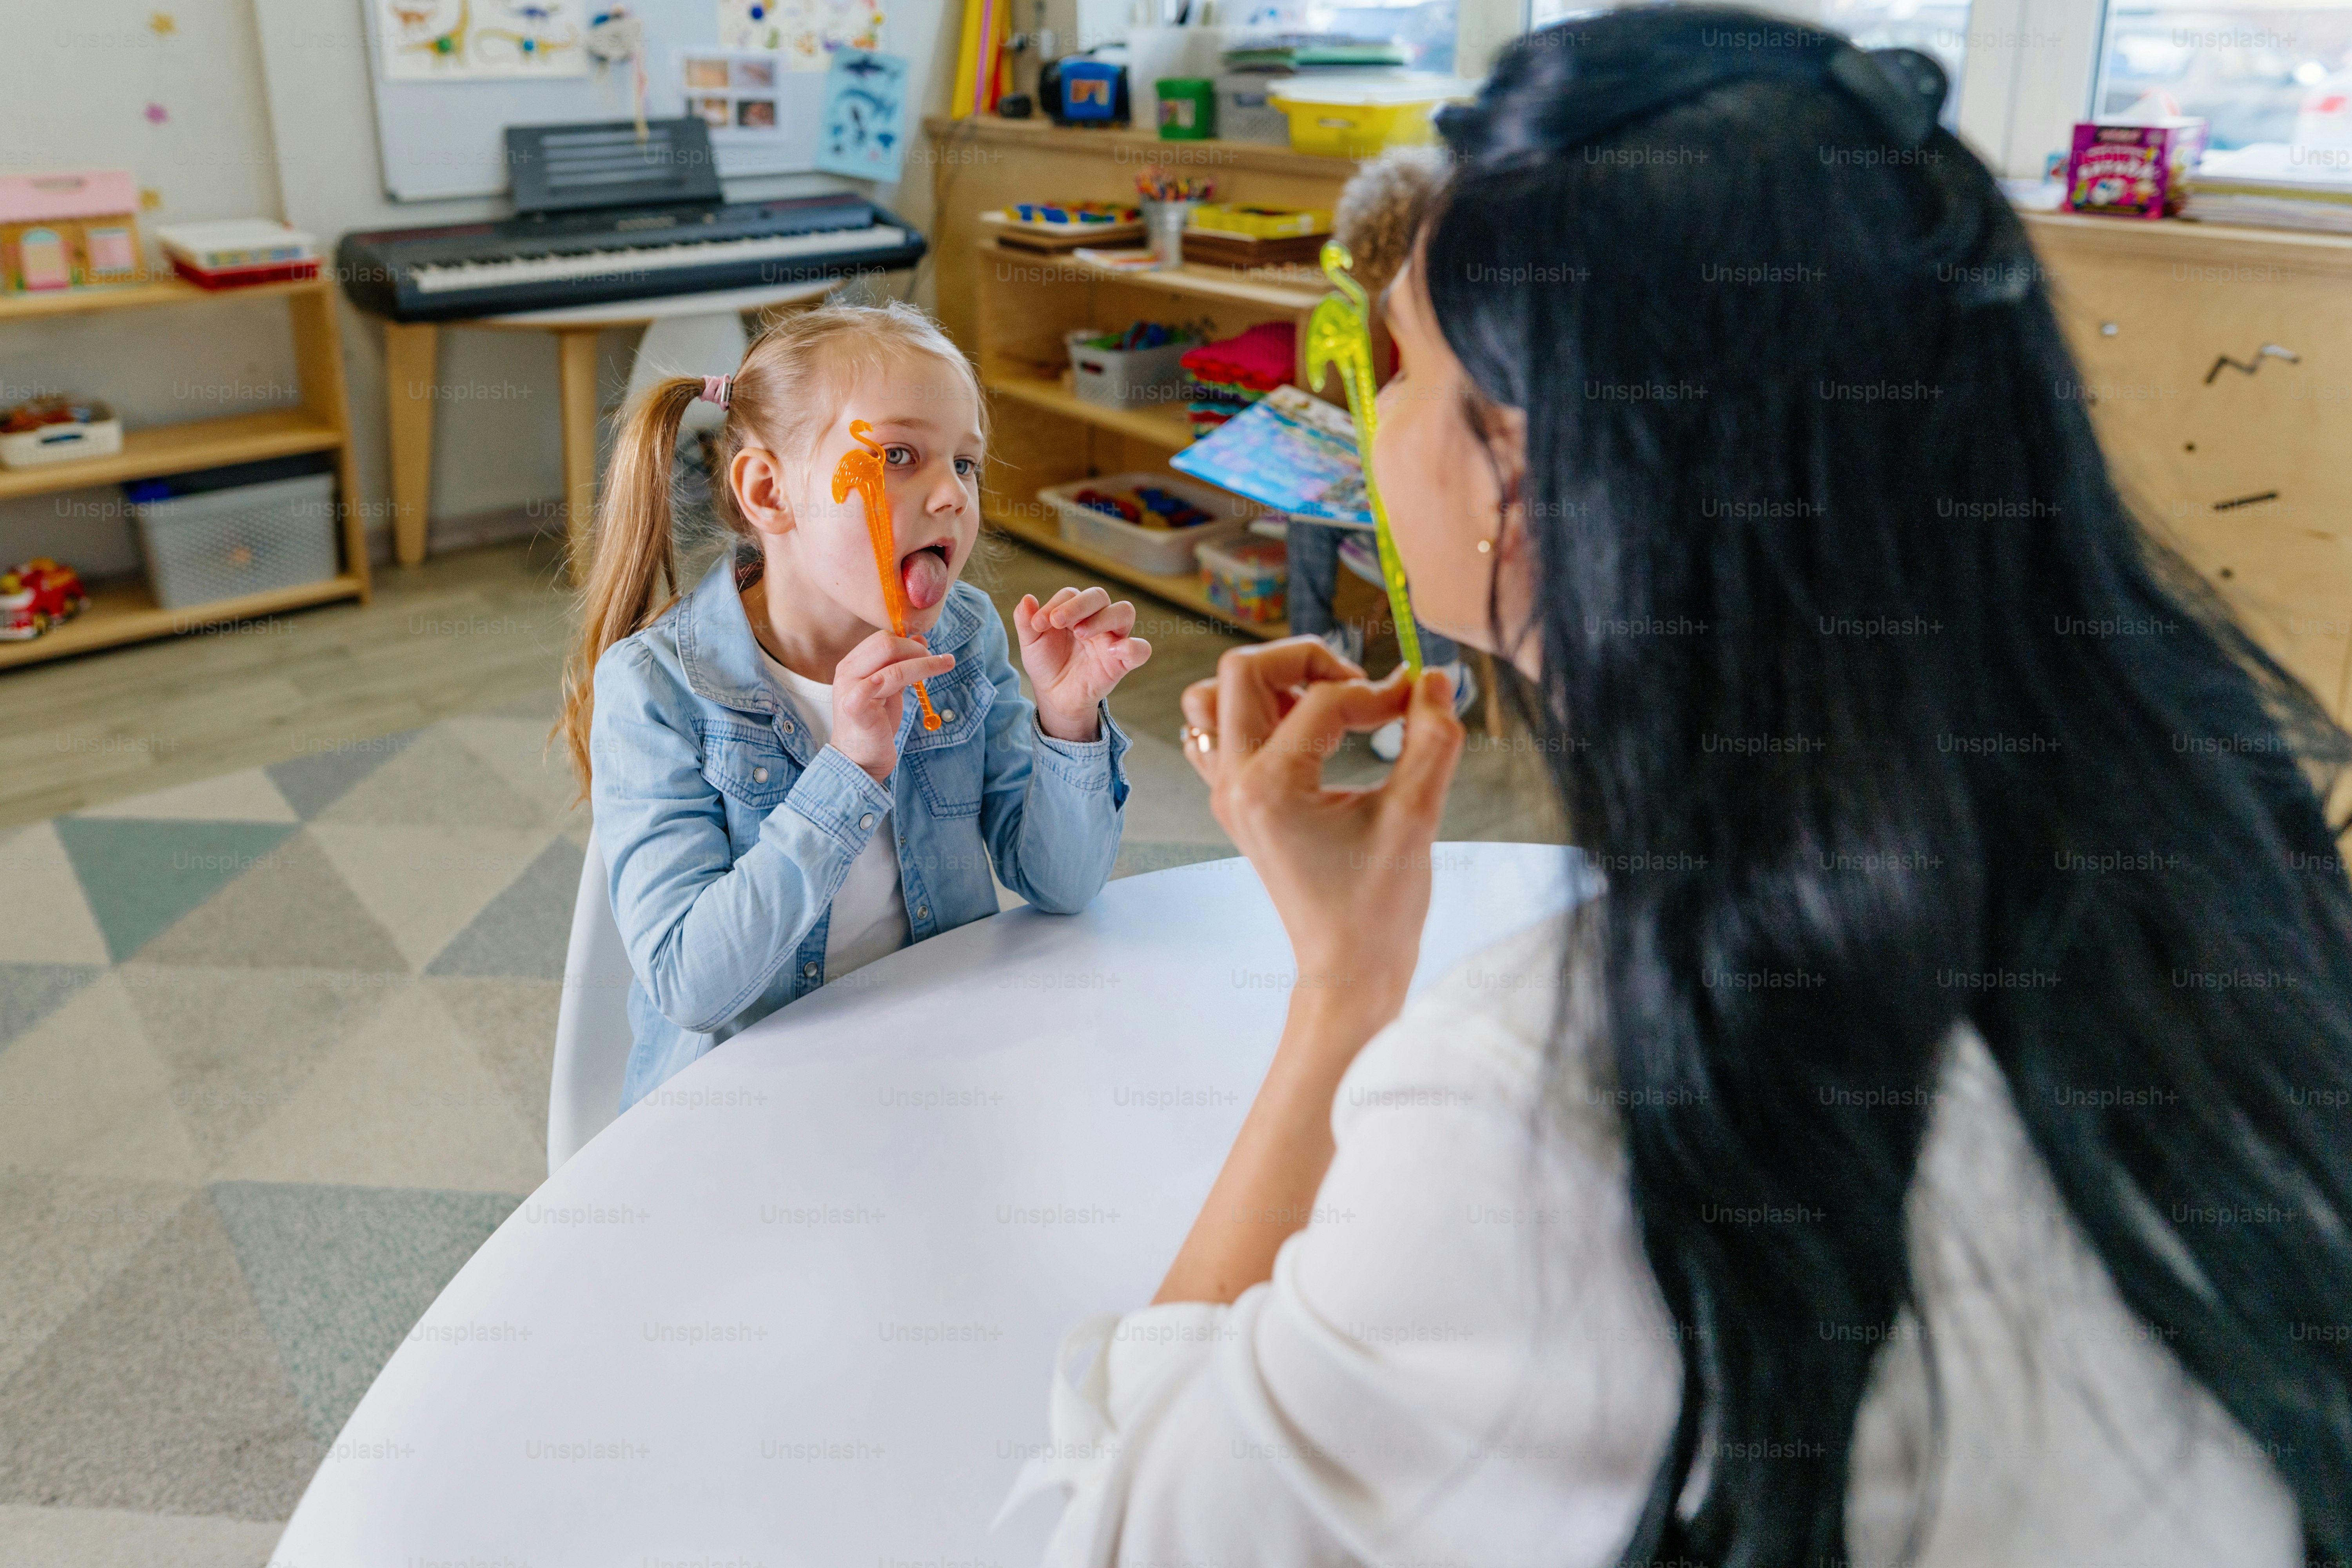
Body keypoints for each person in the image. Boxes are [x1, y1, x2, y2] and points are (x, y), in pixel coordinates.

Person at [1011, 9, 2352, 1565]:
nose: (1371, 414)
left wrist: (1342, 997)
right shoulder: (2235, 864)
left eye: (1401, 365)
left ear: (1517, 470)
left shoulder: (1554, 1097)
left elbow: (1135, 1525)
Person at [557, 301, 1151, 1111]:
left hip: (931, 1062)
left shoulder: (965, 636)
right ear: (770, 491)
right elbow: (691, 983)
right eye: (900, 454)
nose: (951, 495)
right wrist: (850, 767)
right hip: (746, 1104)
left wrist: (1068, 719)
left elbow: (1063, 883)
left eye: (966, 464)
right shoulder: (658, 688)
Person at [1283, 146, 1476, 762]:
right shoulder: (1403, 303)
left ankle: (1443, 678)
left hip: (1459, 500)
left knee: (1421, 529)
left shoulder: (1471, 313)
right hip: (1396, 472)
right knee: (1309, 501)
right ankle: (1321, 642)